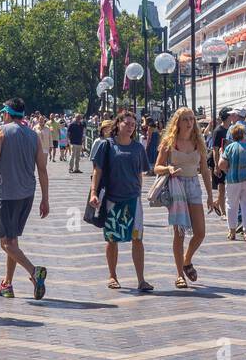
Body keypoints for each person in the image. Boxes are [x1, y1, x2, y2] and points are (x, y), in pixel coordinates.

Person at [0, 98, 50, 299]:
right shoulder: (33, 135)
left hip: (9, 194)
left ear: (6, 112)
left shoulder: (2, 131)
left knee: (5, 243)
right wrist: (45, 198)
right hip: (27, 194)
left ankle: (34, 271)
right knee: (13, 240)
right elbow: (42, 168)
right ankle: (7, 283)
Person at [89, 110, 152, 292]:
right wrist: (94, 192)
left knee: (137, 239)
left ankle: (141, 280)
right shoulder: (107, 145)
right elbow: (97, 171)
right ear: (118, 124)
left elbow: (140, 172)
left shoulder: (138, 148)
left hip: (133, 199)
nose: (130, 127)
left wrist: (139, 191)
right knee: (111, 239)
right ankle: (112, 276)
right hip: (112, 199)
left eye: (133, 124)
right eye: (127, 123)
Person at [154, 107, 213, 288]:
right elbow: (156, 167)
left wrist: (211, 196)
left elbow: (204, 170)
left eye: (191, 119)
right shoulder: (169, 142)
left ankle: (187, 260)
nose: (189, 123)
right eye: (185, 119)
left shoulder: (198, 142)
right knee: (179, 233)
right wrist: (168, 169)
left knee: (200, 232)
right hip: (176, 187)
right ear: (177, 122)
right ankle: (180, 274)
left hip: (194, 186)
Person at [220, 122, 246, 242]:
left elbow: (221, 165)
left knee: (231, 205)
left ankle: (232, 231)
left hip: (232, 180)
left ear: (233, 136)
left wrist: (228, 168)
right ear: (244, 134)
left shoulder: (230, 147)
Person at [209, 108, 237, 216]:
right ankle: (224, 212)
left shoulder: (231, 129)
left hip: (229, 162)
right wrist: (216, 166)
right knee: (221, 188)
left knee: (227, 188)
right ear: (228, 117)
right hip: (219, 161)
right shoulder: (218, 131)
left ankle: (217, 203)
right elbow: (215, 149)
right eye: (231, 115)